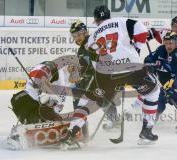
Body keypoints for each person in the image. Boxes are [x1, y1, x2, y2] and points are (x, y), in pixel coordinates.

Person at [67, 5, 160, 144]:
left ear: (96, 21)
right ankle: (146, 130)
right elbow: (141, 30)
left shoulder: (93, 36)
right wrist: (137, 51)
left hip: (106, 74)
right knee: (153, 91)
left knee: (86, 101)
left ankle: (72, 133)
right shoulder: (121, 21)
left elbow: (94, 62)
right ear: (109, 16)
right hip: (131, 67)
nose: (77, 37)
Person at [7, 57, 86, 149]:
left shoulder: (68, 85)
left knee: (41, 121)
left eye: (80, 75)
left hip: (32, 107)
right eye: (76, 70)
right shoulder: (56, 69)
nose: (77, 77)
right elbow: (43, 68)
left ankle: (20, 136)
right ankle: (20, 136)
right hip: (26, 100)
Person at [69, 20, 120, 130]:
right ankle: (113, 120)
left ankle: (79, 126)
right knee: (97, 98)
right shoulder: (82, 48)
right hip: (94, 78)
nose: (77, 38)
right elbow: (85, 66)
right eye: (74, 36)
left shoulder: (92, 42)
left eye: (79, 35)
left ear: (85, 32)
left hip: (102, 77)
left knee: (96, 96)